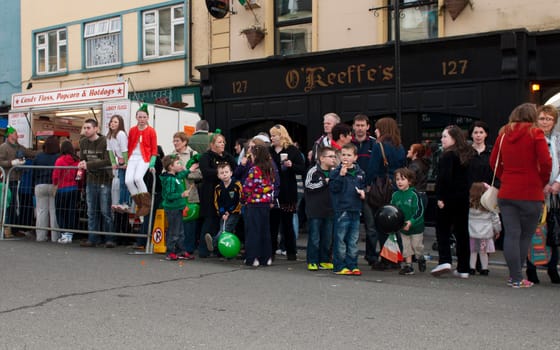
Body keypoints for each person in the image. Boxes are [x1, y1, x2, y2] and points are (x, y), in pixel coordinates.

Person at [490, 103, 551, 288]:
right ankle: (518, 276)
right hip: (531, 192)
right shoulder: (536, 133)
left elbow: (493, 162)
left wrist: (505, 176)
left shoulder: (503, 135)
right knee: (525, 236)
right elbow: (546, 162)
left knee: (512, 235)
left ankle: (514, 277)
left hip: (507, 191)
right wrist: (541, 181)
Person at [431, 125, 474, 278]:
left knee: (442, 229)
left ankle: (445, 260)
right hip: (462, 199)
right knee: (462, 232)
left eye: (445, 137)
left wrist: (440, 197)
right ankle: (463, 268)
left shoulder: (447, 155)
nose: (442, 139)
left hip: (447, 198)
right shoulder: (467, 154)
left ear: (454, 138)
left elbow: (444, 178)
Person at [526, 104, 560, 284]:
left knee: (554, 231)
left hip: (555, 195)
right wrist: (540, 185)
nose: (545, 122)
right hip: (535, 192)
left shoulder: (557, 139)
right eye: (542, 118)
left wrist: (556, 183)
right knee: (533, 231)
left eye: (549, 119)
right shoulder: (531, 138)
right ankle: (531, 269)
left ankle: (553, 268)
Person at [366, 117, 406, 270]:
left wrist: (367, 186)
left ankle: (386, 259)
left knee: (382, 223)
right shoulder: (400, 146)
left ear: (382, 129)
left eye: (376, 128)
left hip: (382, 188)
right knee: (395, 224)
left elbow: (372, 169)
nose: (375, 131)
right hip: (396, 187)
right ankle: (397, 257)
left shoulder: (379, 145)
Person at [269, 124, 306, 260]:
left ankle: (291, 252)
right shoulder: (269, 151)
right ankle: (271, 251)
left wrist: (292, 165)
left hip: (288, 191)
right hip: (273, 192)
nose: (272, 138)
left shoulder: (292, 150)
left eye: (274, 135)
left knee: (287, 224)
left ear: (281, 135)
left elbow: (302, 169)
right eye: (271, 135)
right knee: (272, 224)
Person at [198, 132, 236, 258]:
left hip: (224, 193)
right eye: (219, 142)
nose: (222, 144)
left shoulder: (227, 157)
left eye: (223, 142)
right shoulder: (206, 157)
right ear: (212, 144)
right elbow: (206, 171)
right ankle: (203, 249)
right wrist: (220, 172)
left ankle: (219, 249)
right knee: (209, 220)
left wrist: (225, 174)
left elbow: (234, 169)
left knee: (222, 221)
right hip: (210, 192)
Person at [329, 143, 366, 275]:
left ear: (355, 157)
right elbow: (333, 188)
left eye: (349, 155)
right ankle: (339, 266)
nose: (345, 157)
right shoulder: (335, 172)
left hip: (355, 209)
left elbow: (363, 187)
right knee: (340, 239)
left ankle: (352, 264)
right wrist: (341, 175)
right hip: (342, 210)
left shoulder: (360, 173)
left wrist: (362, 192)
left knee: (353, 240)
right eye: (343, 154)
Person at [78, 119, 115, 248]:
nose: (86, 130)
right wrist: (82, 164)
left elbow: (108, 160)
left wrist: (88, 164)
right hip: (90, 180)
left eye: (88, 128)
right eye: (85, 128)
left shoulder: (105, 141)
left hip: (105, 180)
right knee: (91, 211)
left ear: (96, 129)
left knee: (105, 211)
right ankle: (93, 238)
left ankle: (109, 238)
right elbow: (83, 159)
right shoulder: (82, 142)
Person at [242, 144, 277, 267]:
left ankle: (252, 257)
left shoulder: (254, 169)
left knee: (253, 231)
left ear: (255, 155)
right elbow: (272, 186)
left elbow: (248, 187)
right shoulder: (270, 169)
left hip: (254, 203)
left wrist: (243, 198)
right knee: (265, 231)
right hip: (266, 203)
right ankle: (266, 257)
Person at [304, 146, 337, 271]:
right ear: (322, 158)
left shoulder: (335, 171)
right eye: (330, 156)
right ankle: (312, 260)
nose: (333, 159)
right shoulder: (313, 171)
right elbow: (308, 185)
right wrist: (324, 181)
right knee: (314, 237)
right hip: (315, 210)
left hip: (329, 209)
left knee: (327, 237)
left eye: (334, 156)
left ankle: (324, 260)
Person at [351, 114, 378, 266]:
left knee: (371, 226)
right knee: (347, 225)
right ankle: (349, 256)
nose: (360, 128)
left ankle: (371, 256)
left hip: (368, 191)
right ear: (353, 126)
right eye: (357, 125)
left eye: (363, 125)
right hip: (350, 190)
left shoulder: (374, 144)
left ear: (368, 127)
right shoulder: (349, 143)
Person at [0, 126, 35, 238]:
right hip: (7, 179)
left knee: (14, 205)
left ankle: (13, 229)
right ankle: (8, 229)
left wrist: (44, 152)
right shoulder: (3, 147)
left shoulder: (19, 147)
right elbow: (0, 161)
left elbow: (30, 153)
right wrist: (12, 162)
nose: (17, 135)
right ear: (10, 135)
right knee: (9, 204)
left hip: (16, 179)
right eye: (15, 133)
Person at [160, 154, 197, 261]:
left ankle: (181, 251)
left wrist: (189, 170)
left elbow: (181, 175)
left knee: (180, 231)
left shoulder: (175, 176)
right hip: (172, 209)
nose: (180, 164)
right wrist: (181, 195)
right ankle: (170, 252)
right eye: (177, 163)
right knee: (173, 231)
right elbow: (168, 195)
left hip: (178, 208)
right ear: (171, 167)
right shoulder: (170, 180)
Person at [170, 132, 202, 254]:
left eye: (177, 140)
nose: (175, 143)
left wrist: (186, 172)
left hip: (190, 194)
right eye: (174, 140)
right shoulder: (172, 155)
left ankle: (189, 248)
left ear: (184, 142)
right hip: (176, 194)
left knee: (190, 222)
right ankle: (178, 247)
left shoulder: (193, 155)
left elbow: (200, 174)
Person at [390, 168, 426, 275]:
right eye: (397, 179)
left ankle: (420, 258)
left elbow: (419, 210)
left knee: (416, 246)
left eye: (402, 179)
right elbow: (392, 210)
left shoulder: (414, 194)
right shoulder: (395, 195)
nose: (399, 182)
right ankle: (409, 266)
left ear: (409, 181)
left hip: (415, 227)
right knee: (406, 247)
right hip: (403, 227)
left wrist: (411, 222)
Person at [126, 103, 158, 217]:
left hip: (144, 158)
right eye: (140, 117)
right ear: (136, 117)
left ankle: (146, 204)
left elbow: (154, 150)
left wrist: (152, 164)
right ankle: (139, 204)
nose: (142, 119)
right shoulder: (132, 130)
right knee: (128, 181)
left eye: (144, 117)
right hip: (132, 158)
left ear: (148, 118)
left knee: (138, 178)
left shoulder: (151, 131)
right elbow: (128, 146)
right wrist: (126, 161)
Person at [205, 162, 242, 253]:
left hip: (234, 213)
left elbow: (240, 200)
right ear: (218, 176)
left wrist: (230, 211)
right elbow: (217, 202)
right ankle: (225, 251)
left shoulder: (237, 185)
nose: (224, 174)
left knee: (224, 230)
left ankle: (213, 243)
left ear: (231, 173)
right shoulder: (218, 188)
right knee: (225, 231)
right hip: (223, 214)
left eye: (226, 172)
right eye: (222, 173)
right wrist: (222, 212)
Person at [468, 182, 501, 276]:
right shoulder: (489, 206)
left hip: (471, 232)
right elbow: (495, 219)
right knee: (483, 252)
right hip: (485, 234)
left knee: (472, 251)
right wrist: (497, 230)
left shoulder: (470, 206)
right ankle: (484, 269)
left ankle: (471, 268)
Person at [32, 136, 60, 242]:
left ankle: (40, 236)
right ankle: (55, 237)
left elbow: (34, 173)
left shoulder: (39, 156)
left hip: (40, 185)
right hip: (53, 185)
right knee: (53, 212)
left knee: (41, 212)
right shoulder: (58, 157)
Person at [53, 140, 80, 244]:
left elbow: (55, 176)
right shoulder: (76, 161)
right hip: (73, 188)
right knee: (71, 212)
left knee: (60, 212)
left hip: (62, 189)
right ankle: (70, 233)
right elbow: (79, 176)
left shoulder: (59, 160)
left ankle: (64, 233)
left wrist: (55, 184)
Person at [106, 115, 130, 213]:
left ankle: (126, 203)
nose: (113, 123)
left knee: (125, 183)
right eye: (112, 121)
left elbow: (125, 150)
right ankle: (120, 202)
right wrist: (113, 162)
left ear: (120, 124)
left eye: (116, 122)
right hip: (120, 161)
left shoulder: (121, 134)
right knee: (121, 183)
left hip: (126, 160)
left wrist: (126, 163)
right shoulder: (109, 136)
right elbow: (110, 151)